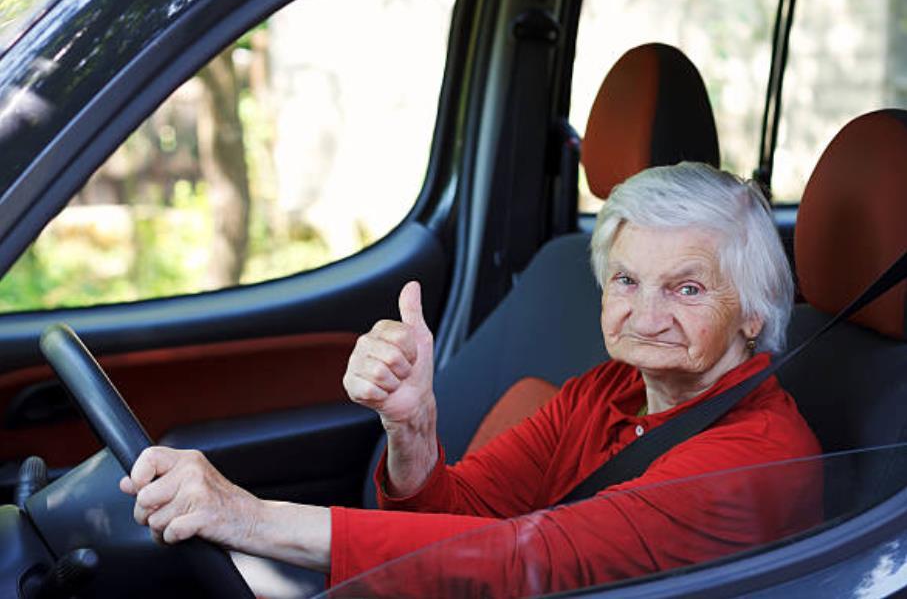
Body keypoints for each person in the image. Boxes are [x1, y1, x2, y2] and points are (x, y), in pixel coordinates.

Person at [119, 162, 822, 596]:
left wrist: (244, 516)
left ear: (753, 313)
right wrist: (412, 423)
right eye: (625, 280)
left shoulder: (755, 459)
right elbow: (453, 525)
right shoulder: (604, 390)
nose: (645, 314)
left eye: (687, 289)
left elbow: (524, 563)